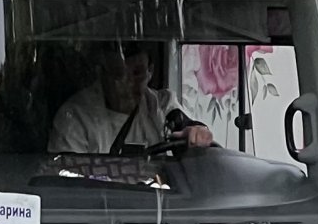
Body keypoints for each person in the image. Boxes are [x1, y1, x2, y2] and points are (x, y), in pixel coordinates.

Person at [48, 43, 213, 155]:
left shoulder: (161, 105)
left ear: (150, 72)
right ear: (102, 74)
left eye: (137, 73)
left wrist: (197, 133)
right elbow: (65, 181)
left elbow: (185, 125)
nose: (127, 84)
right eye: (118, 74)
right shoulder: (75, 117)